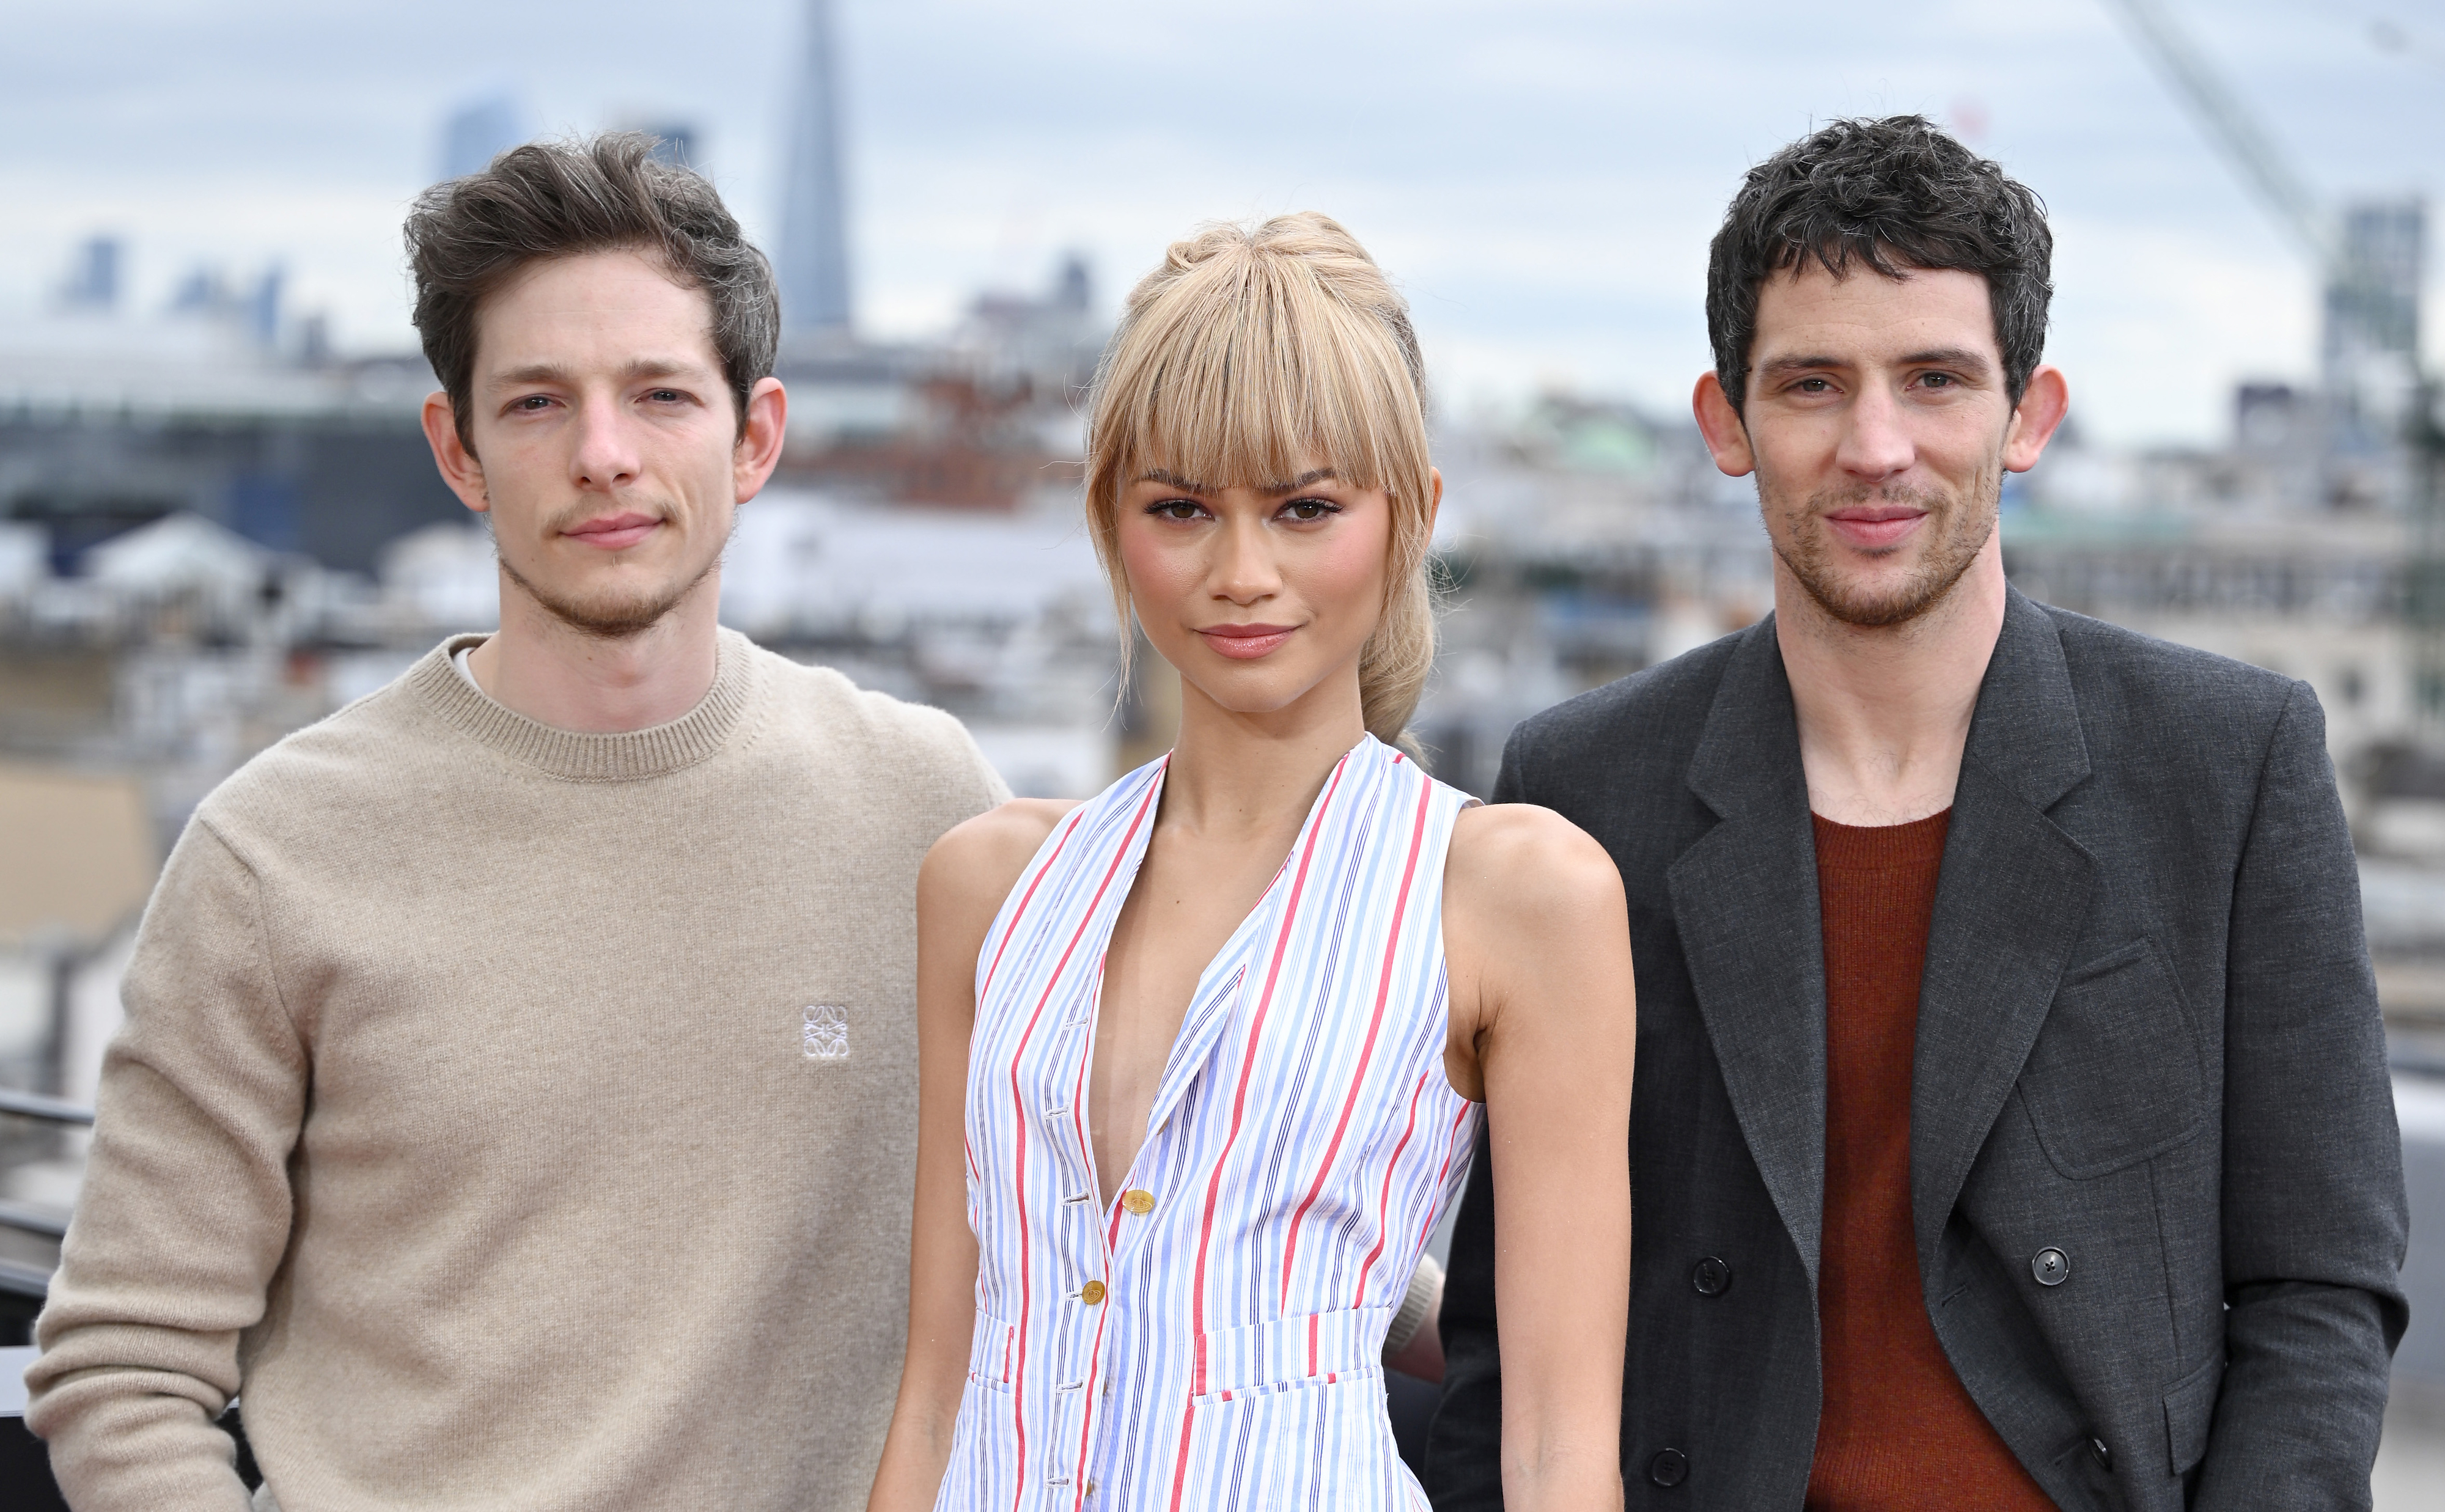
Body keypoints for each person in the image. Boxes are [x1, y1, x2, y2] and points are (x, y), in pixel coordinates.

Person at [1429, 116, 2409, 1510]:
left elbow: (2319, 1288)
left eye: (1933, 379)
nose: (1873, 446)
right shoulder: (1581, 788)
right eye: (1812, 384)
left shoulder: (2226, 760)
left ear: (2027, 416)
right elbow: (1493, 1338)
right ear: (1723, 422)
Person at [26, 134, 1007, 1511]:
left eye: (660, 394)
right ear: (458, 447)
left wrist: (1412, 1307)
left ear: (757, 434)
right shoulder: (278, 852)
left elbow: (1132, 1156)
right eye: (539, 402)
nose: (603, 455)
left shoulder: (924, 801)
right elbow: (124, 1363)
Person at [867, 213, 1636, 1510]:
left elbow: (1560, 1447)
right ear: (1114, 522)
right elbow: (938, 1385)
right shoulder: (985, 885)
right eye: (1180, 508)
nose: (1240, 572)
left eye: (1303, 508)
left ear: (1410, 519)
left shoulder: (1512, 893)